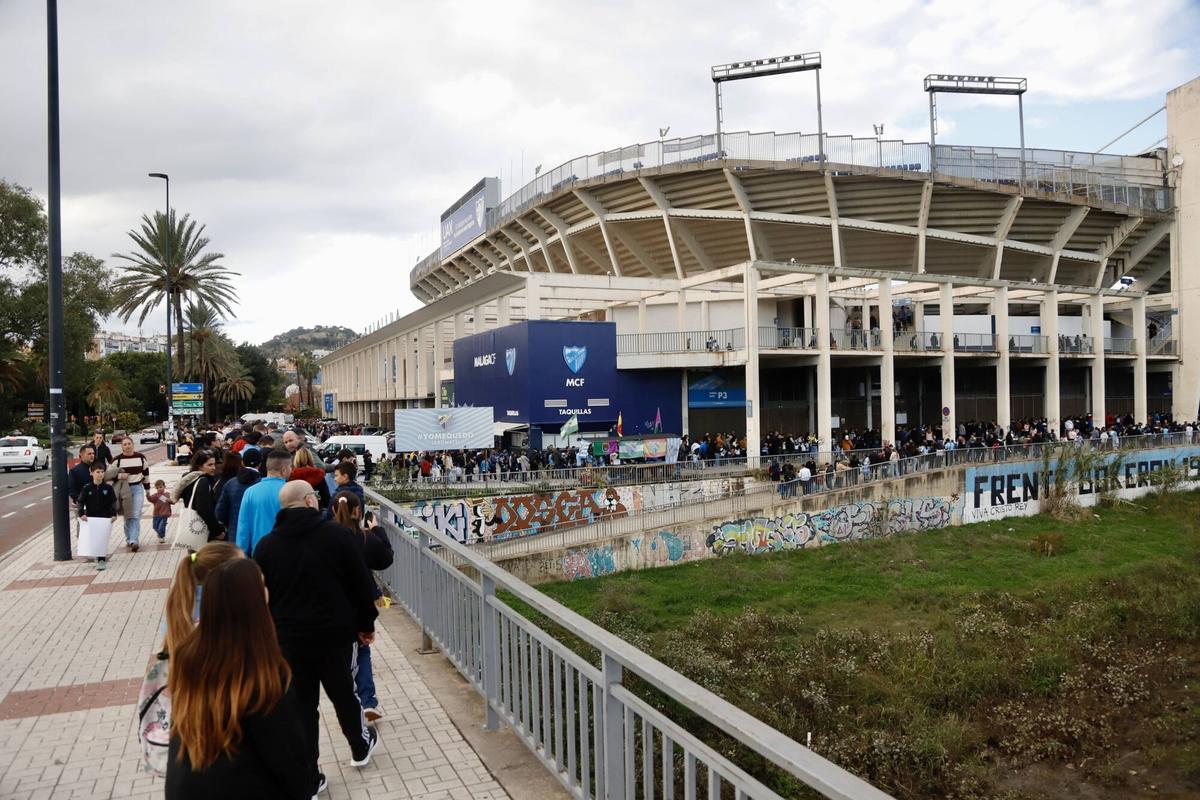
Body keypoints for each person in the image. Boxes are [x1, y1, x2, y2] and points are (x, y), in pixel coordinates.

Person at [254, 481, 380, 792]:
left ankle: (309, 776)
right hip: (335, 635)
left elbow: (262, 596)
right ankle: (359, 746)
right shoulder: (336, 535)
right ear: (311, 501)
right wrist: (366, 624)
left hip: (289, 641)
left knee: (302, 708)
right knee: (344, 694)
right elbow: (361, 584)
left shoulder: (266, 546)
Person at [165, 558, 311, 799]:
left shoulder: (189, 657)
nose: (267, 591)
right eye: (261, 586)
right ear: (252, 603)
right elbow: (292, 764)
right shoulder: (263, 675)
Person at [331, 491, 393, 722]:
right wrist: (377, 529)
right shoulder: (363, 537)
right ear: (358, 511)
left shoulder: (325, 537)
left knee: (345, 658)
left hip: (333, 608)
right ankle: (367, 701)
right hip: (358, 607)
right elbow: (385, 558)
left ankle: (354, 703)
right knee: (362, 652)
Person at [237, 450, 292, 555]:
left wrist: (241, 554)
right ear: (284, 469)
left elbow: (243, 528)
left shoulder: (250, 492)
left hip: (258, 550)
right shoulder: (291, 491)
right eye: (290, 467)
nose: (291, 470)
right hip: (286, 552)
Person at [107, 436, 150, 552]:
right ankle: (129, 538)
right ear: (122, 447)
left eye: (129, 443)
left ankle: (134, 540)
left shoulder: (141, 458)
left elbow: (146, 474)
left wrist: (148, 491)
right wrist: (120, 476)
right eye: (124, 444)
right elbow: (107, 475)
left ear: (133, 445)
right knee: (128, 516)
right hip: (123, 490)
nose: (127, 446)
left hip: (137, 488)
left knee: (135, 514)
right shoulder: (117, 460)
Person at [172, 450, 226, 542]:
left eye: (214, 464)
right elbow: (204, 510)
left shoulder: (188, 478)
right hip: (203, 529)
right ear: (200, 466)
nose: (213, 468)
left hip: (192, 527)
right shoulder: (203, 481)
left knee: (194, 555)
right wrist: (218, 531)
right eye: (209, 465)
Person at [215, 447, 262, 547]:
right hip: (259, 536)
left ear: (243, 463)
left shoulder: (231, 483)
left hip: (235, 533)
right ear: (260, 464)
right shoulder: (262, 484)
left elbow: (220, 512)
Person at [77, 462, 117, 570]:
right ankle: (95, 554)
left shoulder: (108, 488)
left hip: (104, 518)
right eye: (97, 472)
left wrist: (113, 514)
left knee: (102, 539)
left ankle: (101, 560)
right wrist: (81, 513)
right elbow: (80, 501)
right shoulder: (87, 488)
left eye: (102, 472)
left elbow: (113, 502)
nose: (100, 474)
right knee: (93, 538)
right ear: (91, 473)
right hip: (91, 518)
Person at [67, 444, 95, 541]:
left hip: (97, 502)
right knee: (83, 525)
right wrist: (80, 500)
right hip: (82, 504)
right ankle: (83, 546)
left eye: (93, 453)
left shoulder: (97, 469)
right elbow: (71, 489)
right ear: (81, 455)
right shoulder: (75, 471)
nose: (92, 455)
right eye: (89, 453)